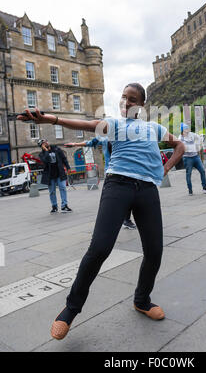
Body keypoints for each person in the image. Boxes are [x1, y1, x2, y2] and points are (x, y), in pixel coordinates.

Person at [18, 82, 185, 340]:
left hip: (147, 191)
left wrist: (164, 170)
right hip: (117, 186)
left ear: (141, 105)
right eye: (123, 98)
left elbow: (180, 147)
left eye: (132, 99)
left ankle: (142, 299)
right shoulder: (115, 125)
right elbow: (83, 125)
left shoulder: (154, 128)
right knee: (100, 248)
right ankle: (71, 309)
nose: (126, 102)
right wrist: (48, 119)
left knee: (154, 251)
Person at [64, 137, 136, 229]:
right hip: (111, 172)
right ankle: (109, 220)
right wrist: (75, 144)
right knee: (110, 198)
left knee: (128, 196)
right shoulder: (105, 139)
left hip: (126, 171)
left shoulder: (124, 135)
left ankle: (126, 219)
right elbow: (90, 142)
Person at [37, 139, 73, 213]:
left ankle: (64, 205)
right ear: (42, 146)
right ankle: (54, 206)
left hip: (60, 173)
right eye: (44, 143)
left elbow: (64, 158)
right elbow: (46, 160)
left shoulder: (56, 149)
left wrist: (68, 167)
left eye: (46, 141)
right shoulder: (42, 154)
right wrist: (46, 150)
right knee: (52, 191)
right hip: (50, 175)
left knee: (63, 188)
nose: (46, 143)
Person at [179, 123, 206, 196]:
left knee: (202, 171)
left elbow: (199, 138)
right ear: (182, 130)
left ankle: (204, 188)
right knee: (188, 174)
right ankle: (190, 190)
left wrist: (198, 146)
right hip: (187, 158)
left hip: (196, 157)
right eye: (186, 129)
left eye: (188, 128)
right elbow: (178, 147)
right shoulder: (180, 138)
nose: (188, 130)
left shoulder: (192, 134)